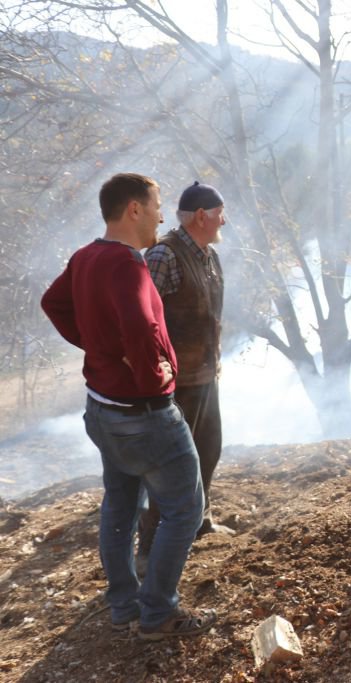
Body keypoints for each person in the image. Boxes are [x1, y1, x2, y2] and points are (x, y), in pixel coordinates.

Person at [40, 173, 216, 640]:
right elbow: (140, 327)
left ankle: (124, 605)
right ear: (133, 209)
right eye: (157, 205)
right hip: (145, 412)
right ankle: (158, 614)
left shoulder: (85, 257)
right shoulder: (126, 265)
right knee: (186, 510)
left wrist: (97, 348)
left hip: (102, 408)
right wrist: (153, 379)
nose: (162, 215)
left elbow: (52, 303)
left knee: (120, 505)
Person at [139, 181, 228, 556]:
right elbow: (143, 319)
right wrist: (157, 369)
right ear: (203, 216)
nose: (225, 221)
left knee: (208, 450)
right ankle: (151, 544)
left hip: (205, 376)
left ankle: (198, 521)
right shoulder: (164, 255)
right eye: (221, 214)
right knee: (171, 464)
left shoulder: (209, 255)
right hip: (174, 382)